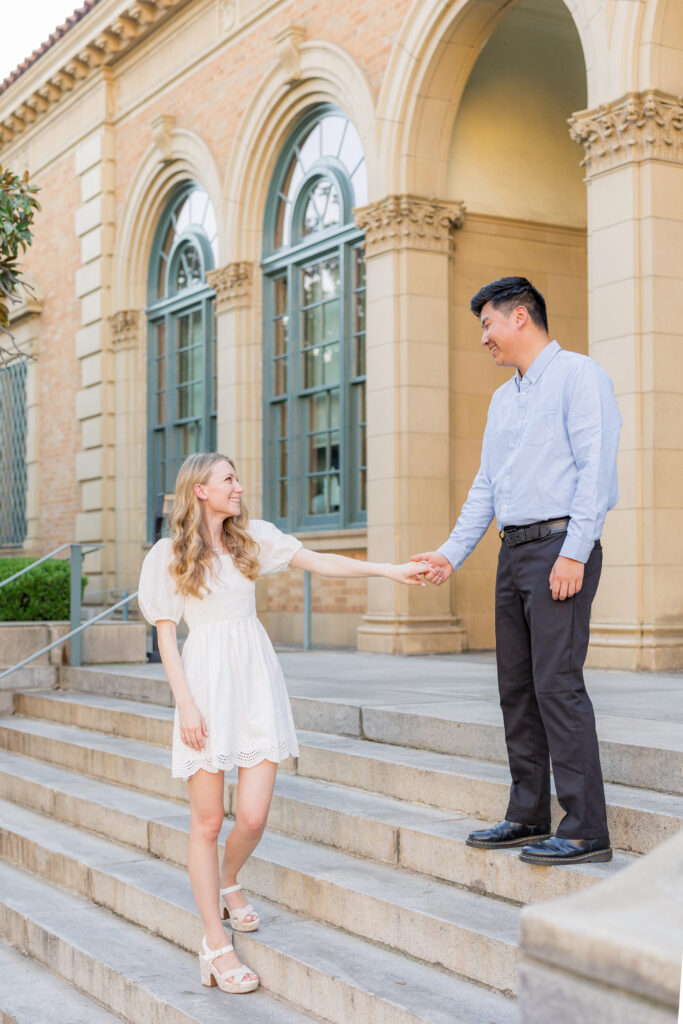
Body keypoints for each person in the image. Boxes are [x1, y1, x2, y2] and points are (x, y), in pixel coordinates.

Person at [137, 451, 430, 995]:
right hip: (203, 687)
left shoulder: (254, 541)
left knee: (250, 817)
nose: (239, 487)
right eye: (228, 480)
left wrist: (389, 570)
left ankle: (229, 880)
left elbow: (322, 562)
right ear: (200, 490)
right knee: (206, 824)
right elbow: (164, 636)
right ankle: (214, 945)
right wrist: (187, 706)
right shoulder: (169, 554)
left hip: (254, 683)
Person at [412, 276, 621, 867]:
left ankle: (584, 828)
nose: (484, 337)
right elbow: (488, 485)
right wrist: (451, 553)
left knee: (558, 685)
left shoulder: (581, 376)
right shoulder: (504, 399)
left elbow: (595, 469)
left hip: (560, 546)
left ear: (521, 316)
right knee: (516, 689)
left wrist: (576, 551)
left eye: (488, 323)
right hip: (513, 552)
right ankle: (528, 812)